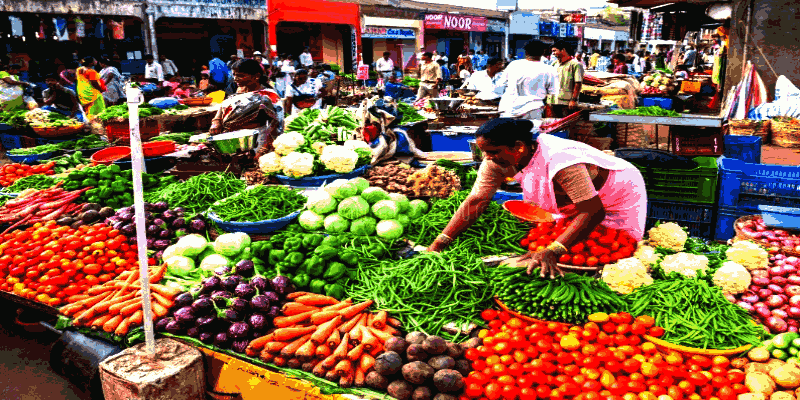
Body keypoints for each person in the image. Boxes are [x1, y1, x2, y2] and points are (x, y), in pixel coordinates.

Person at [426, 118, 647, 278]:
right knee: (576, 243)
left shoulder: (560, 159)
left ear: (519, 147)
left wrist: (554, 250)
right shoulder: (495, 162)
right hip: (575, 200)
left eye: (493, 151)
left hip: (617, 192)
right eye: (485, 152)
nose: (488, 158)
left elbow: (592, 211)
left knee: (616, 252)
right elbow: (476, 201)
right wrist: (441, 241)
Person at [210, 59, 280, 153]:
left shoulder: (269, 96)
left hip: (255, 142)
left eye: (240, 76)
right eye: (234, 75)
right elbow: (223, 106)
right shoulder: (237, 92)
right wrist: (216, 122)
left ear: (256, 76)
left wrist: (265, 148)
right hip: (230, 141)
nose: (235, 79)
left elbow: (276, 124)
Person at [498, 40, 557, 120]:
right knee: (529, 132)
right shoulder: (550, 69)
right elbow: (553, 92)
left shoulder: (513, 64)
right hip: (532, 109)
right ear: (543, 52)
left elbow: (501, 84)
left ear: (526, 52)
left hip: (508, 108)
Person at [550, 41, 584, 118]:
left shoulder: (576, 64)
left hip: (566, 102)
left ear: (563, 50)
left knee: (565, 125)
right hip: (553, 100)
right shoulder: (554, 64)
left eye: (555, 51)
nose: (553, 53)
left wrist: (573, 100)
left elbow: (578, 83)